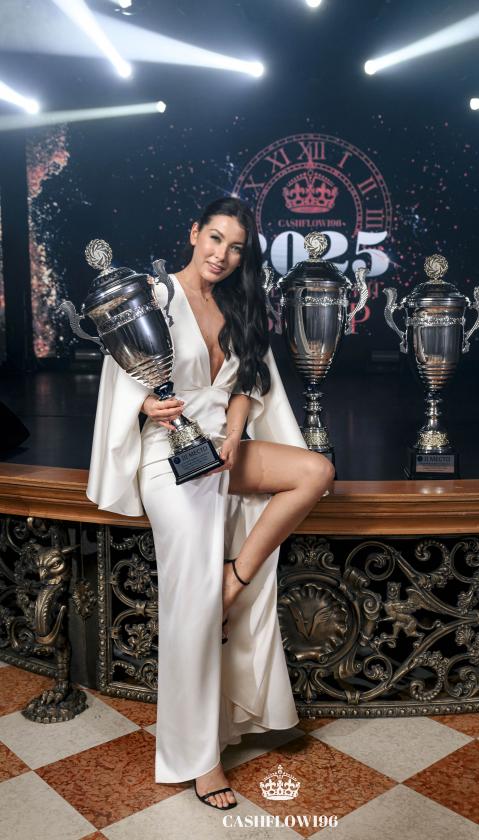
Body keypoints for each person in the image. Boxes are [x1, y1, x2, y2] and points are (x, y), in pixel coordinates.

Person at [87, 196, 334, 811]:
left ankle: (235, 576)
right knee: (190, 607)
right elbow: (122, 382)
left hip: (222, 449)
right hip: (167, 459)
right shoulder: (155, 296)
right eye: (215, 238)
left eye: (235, 247)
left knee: (315, 472)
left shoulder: (238, 305)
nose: (221, 254)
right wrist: (148, 405)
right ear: (194, 233)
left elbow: (248, 381)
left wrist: (234, 433)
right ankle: (199, 760)